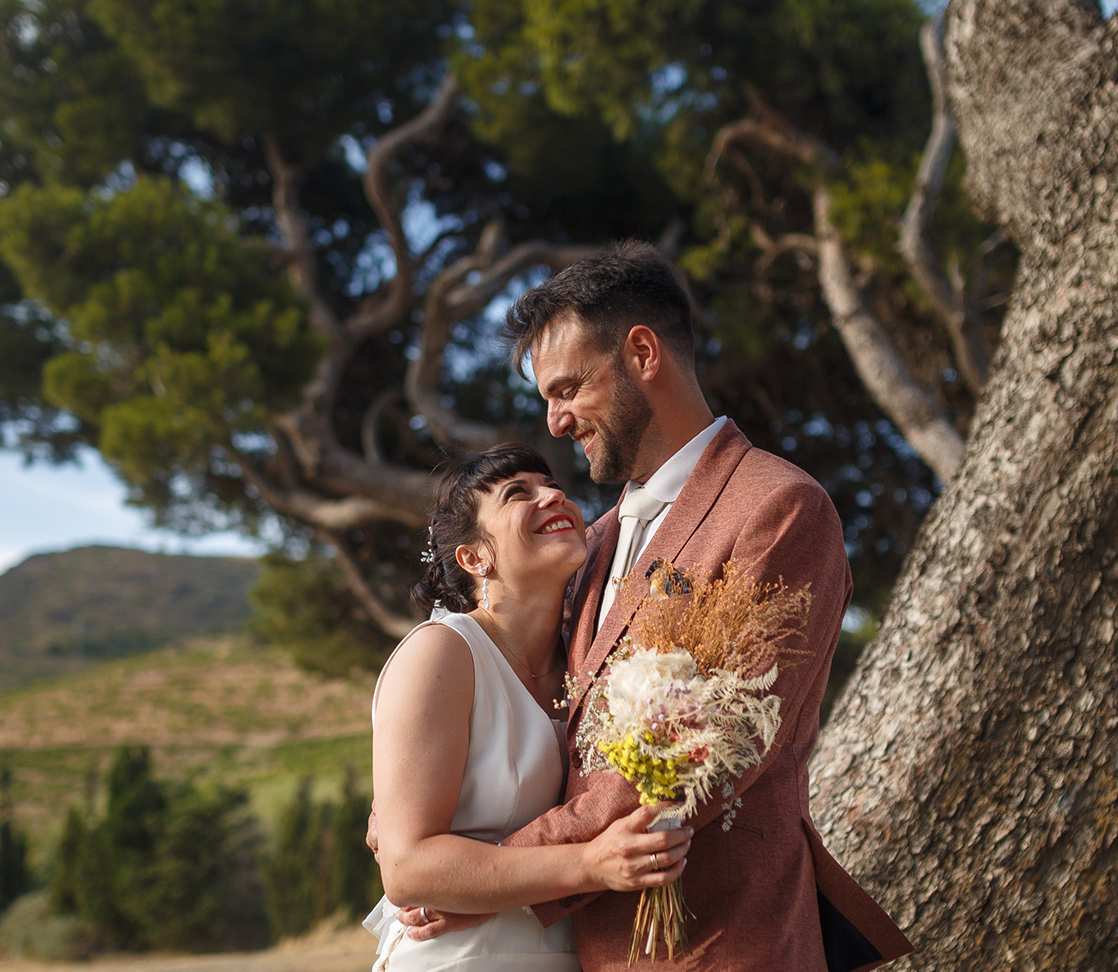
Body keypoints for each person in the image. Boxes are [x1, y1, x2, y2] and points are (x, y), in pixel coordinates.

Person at [379, 242, 911, 971]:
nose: (557, 423)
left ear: (641, 353)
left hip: (721, 941)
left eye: (567, 389)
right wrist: (415, 824)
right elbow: (548, 722)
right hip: (584, 949)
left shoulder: (779, 510)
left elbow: (694, 763)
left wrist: (479, 870)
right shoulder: (588, 548)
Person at [363, 444, 698, 970]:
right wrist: (589, 864)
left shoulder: (594, 659)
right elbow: (407, 870)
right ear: (475, 558)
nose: (553, 495)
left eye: (553, 485)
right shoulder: (442, 653)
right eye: (519, 493)